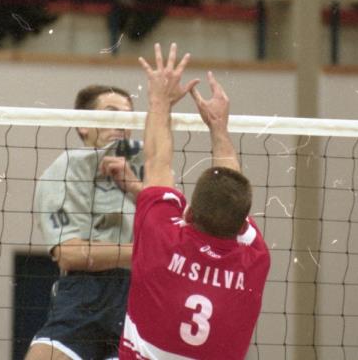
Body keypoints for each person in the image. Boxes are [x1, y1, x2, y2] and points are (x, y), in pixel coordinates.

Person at [120, 44, 270, 359]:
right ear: (241, 224)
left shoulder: (161, 238)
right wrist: (219, 128)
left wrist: (159, 100)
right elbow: (231, 191)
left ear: (187, 212)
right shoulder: (256, 257)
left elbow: (157, 162)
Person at [26, 85, 145, 360]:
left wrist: (135, 188)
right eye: (111, 114)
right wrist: (144, 251)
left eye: (128, 117)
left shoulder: (146, 173)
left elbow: (174, 236)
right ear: (83, 125)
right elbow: (69, 254)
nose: (121, 124)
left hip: (138, 302)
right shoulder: (63, 169)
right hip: (84, 296)